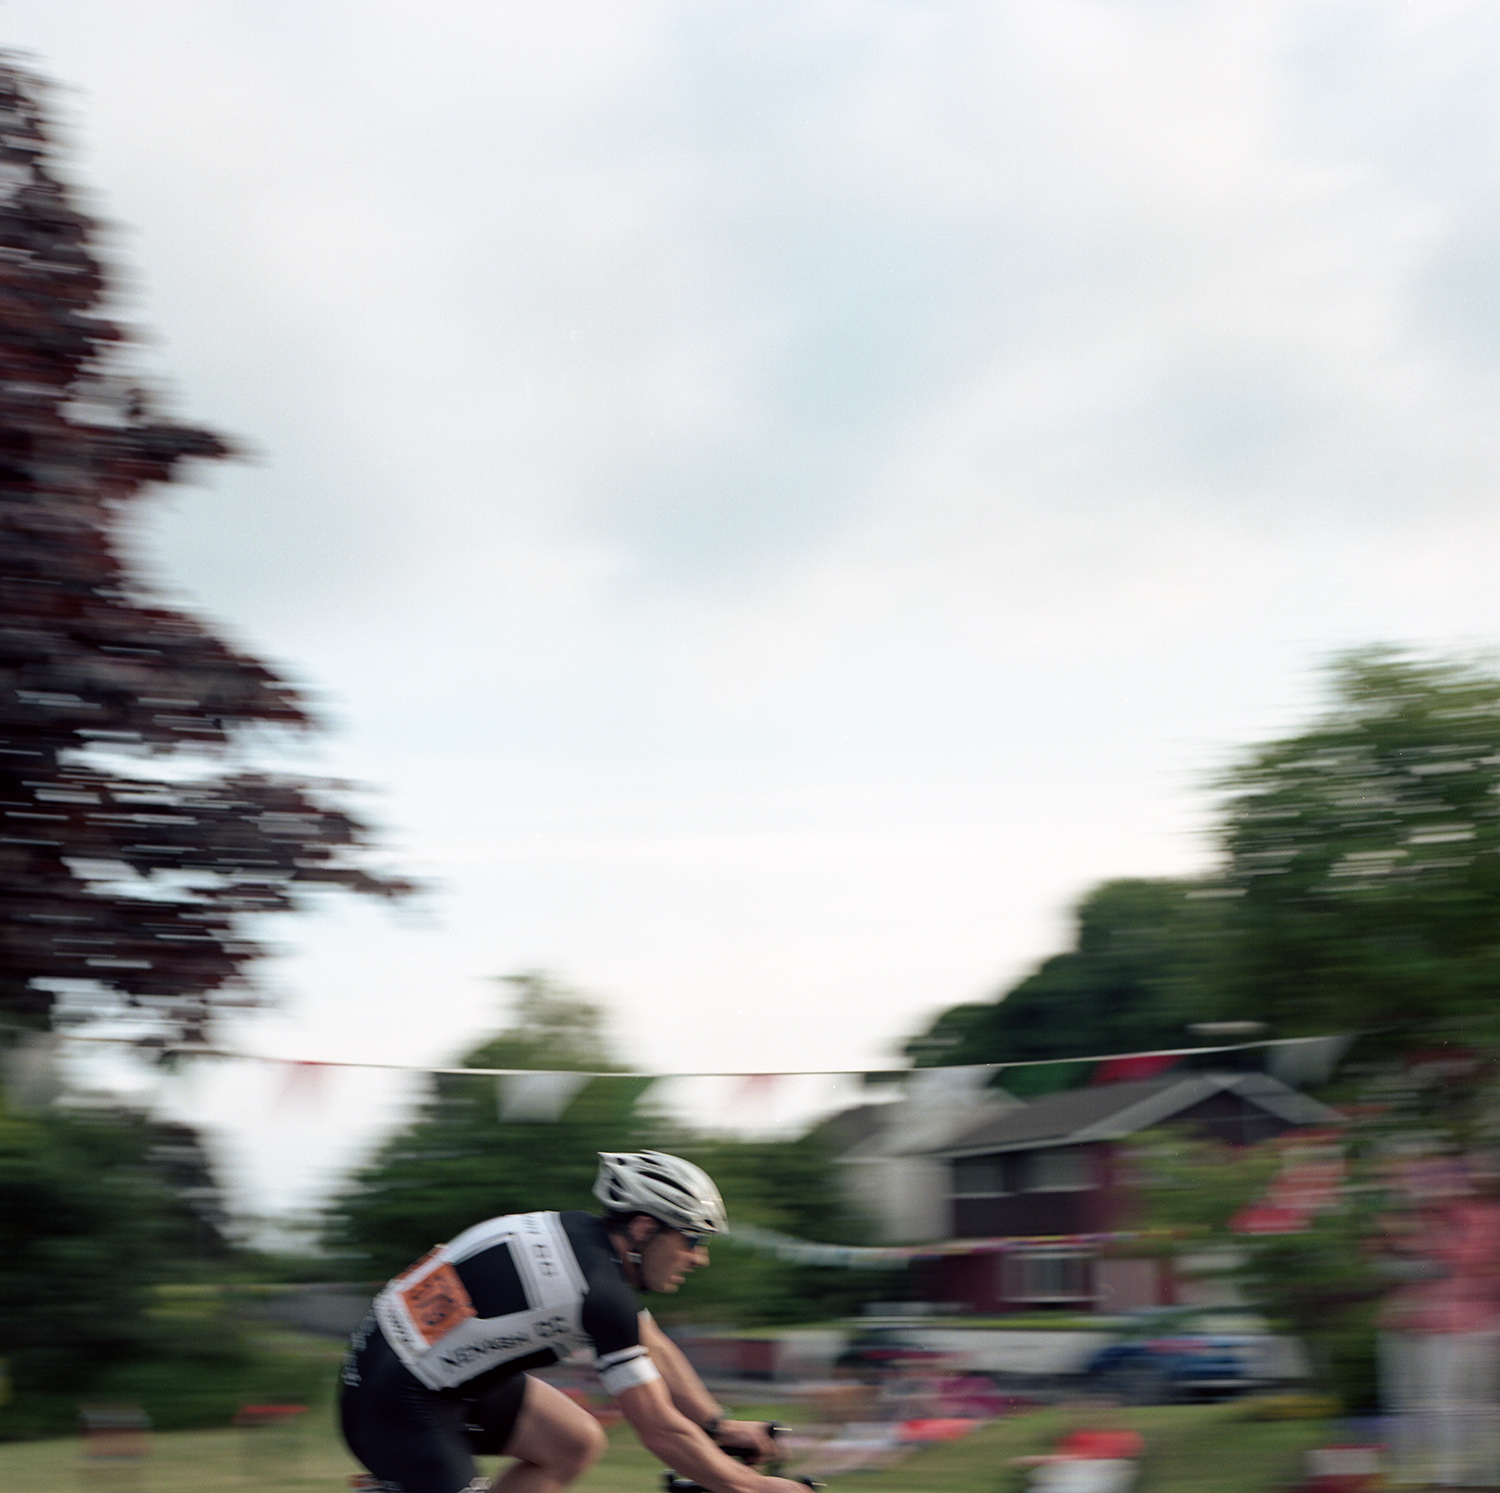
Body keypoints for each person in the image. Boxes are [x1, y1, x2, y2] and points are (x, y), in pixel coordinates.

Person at [341, 1150, 809, 1493]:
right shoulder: (600, 1293)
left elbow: (654, 1346)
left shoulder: (587, 1243)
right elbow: (659, 1430)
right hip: (396, 1401)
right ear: (645, 1229)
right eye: (691, 1239)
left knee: (573, 1441)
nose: (699, 1258)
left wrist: (716, 1426)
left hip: (426, 1373)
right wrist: (754, 1487)